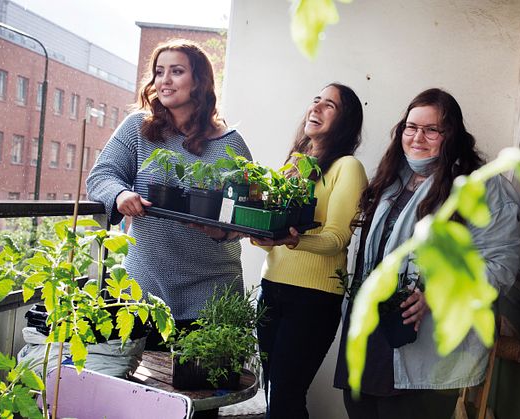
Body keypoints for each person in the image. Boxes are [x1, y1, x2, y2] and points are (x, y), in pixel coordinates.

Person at [333, 88, 520, 419]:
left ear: (452, 135)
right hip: (371, 332)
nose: (417, 137)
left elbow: (499, 266)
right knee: (359, 409)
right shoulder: (394, 177)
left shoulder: (482, 187)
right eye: (411, 126)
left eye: (431, 129)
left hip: (424, 344)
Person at [86, 39, 251, 344]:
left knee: (205, 387)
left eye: (176, 71)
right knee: (139, 388)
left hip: (211, 292)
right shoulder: (138, 127)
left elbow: (244, 214)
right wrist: (121, 194)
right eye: (159, 71)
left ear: (199, 82)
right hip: (143, 289)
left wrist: (222, 232)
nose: (164, 80)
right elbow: (101, 176)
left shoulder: (230, 144)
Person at [251, 83, 369, 419]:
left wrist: (290, 240)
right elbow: (276, 225)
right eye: (315, 100)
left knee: (286, 398)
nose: (315, 108)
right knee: (274, 393)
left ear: (345, 121)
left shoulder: (347, 167)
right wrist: (260, 233)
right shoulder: (296, 164)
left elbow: (336, 239)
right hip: (271, 288)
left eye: (329, 105)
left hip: (313, 299)